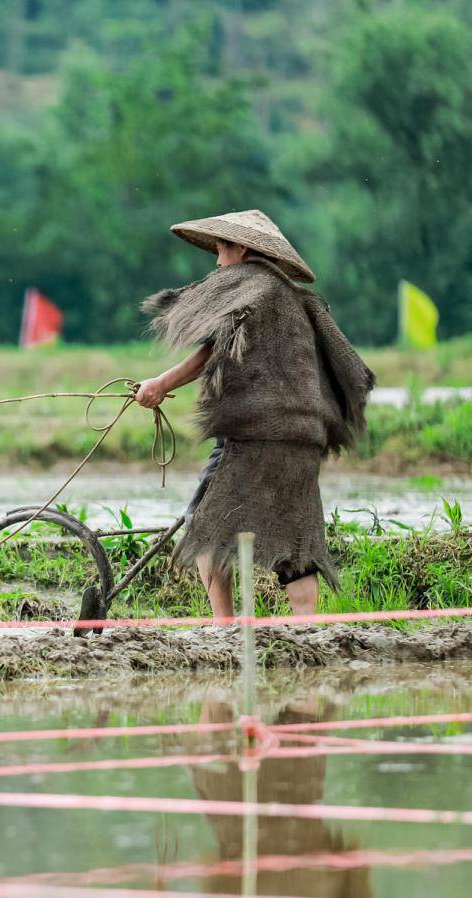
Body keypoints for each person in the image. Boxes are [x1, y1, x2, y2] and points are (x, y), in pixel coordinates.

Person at [133, 210, 374, 618]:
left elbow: (209, 350)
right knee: (296, 540)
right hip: (303, 436)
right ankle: (307, 631)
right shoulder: (294, 299)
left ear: (242, 248)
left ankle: (223, 629)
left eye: (222, 248)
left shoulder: (244, 286)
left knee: (205, 528)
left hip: (254, 434)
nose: (217, 260)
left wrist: (158, 385)